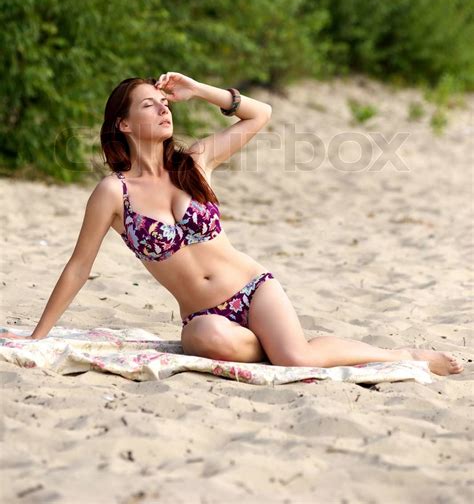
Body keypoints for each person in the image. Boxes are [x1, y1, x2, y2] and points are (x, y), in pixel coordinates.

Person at [5, 72, 464, 376]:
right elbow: (79, 267)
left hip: (253, 287)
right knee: (204, 338)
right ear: (123, 124)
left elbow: (260, 114)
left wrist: (201, 91)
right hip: (206, 317)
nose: (165, 110)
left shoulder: (196, 162)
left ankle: (403, 356)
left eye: (166, 103)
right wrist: (38, 337)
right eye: (150, 105)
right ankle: (273, 345)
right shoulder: (113, 193)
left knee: (295, 357)